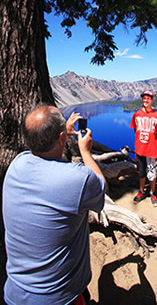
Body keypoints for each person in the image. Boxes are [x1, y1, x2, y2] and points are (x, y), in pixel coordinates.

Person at [2, 105, 106, 305]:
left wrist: (60, 133)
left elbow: (41, 151)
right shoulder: (77, 179)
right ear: (61, 138)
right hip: (59, 297)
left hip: (14, 293)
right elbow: (100, 188)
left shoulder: (16, 164)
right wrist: (85, 152)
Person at [130, 90, 157, 207]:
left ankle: (152, 193)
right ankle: (141, 191)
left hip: (152, 150)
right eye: (144, 98)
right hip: (140, 149)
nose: (145, 100)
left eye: (148, 98)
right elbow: (135, 130)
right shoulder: (136, 115)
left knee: (152, 173)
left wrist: (151, 140)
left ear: (151, 100)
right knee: (141, 173)